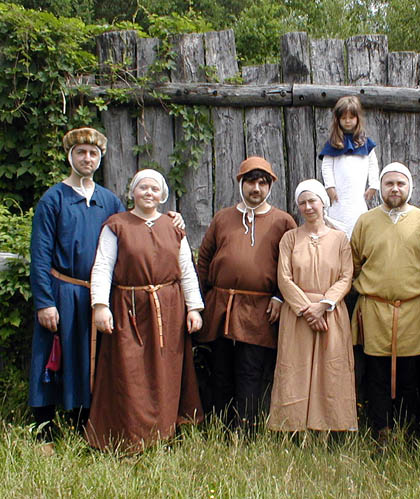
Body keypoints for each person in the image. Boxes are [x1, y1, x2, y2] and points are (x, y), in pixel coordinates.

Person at [86, 169, 204, 452]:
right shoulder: (116, 226)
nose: (148, 193)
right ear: (133, 192)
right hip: (129, 309)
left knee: (166, 372)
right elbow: (103, 266)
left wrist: (194, 308)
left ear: (162, 195)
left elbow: (186, 270)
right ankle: (129, 435)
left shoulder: (174, 228)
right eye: (143, 188)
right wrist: (100, 306)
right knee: (130, 372)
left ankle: (164, 432)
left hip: (170, 310)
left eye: (154, 189)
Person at [28, 127, 124, 450]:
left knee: (87, 359)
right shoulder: (53, 199)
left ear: (100, 158)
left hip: (95, 295)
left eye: (93, 153)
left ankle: (83, 427)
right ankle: (43, 431)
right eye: (81, 152)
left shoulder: (109, 201)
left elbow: (132, 236)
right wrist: (44, 301)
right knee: (51, 358)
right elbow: (40, 253)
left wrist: (171, 220)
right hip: (60, 292)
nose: (87, 158)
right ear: (71, 157)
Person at [196, 157, 296, 430]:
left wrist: (279, 296)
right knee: (220, 369)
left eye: (262, 182)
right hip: (221, 306)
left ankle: (245, 430)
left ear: (270, 186)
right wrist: (200, 302)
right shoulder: (223, 218)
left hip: (259, 309)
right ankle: (218, 426)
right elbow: (204, 260)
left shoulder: (283, 221)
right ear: (241, 183)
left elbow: (292, 264)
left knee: (250, 371)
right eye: (251, 181)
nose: (256, 188)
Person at [350, 162, 420, 442]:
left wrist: (405, 286)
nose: (395, 189)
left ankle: (411, 430)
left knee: (413, 373)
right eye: (389, 183)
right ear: (381, 188)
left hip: (412, 310)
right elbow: (353, 262)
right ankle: (381, 431)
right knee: (376, 373)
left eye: (401, 183)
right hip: (374, 310)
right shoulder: (366, 221)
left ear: (410, 186)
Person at [268, 180, 356, 432]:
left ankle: (329, 425)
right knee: (295, 368)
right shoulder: (290, 238)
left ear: (323, 203)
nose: (307, 207)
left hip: (331, 313)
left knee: (331, 369)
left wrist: (324, 305)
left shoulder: (340, 239)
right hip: (298, 314)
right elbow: (284, 278)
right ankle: (292, 426)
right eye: (302, 202)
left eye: (312, 201)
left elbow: (346, 277)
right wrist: (307, 309)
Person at [319, 95, 379, 239]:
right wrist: (330, 187)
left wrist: (374, 185)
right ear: (337, 119)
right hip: (339, 196)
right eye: (343, 118)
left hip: (358, 196)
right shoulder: (333, 144)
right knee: (338, 224)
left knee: (358, 224)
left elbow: (373, 164)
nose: (347, 121)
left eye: (351, 117)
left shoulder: (365, 143)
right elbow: (326, 166)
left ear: (357, 118)